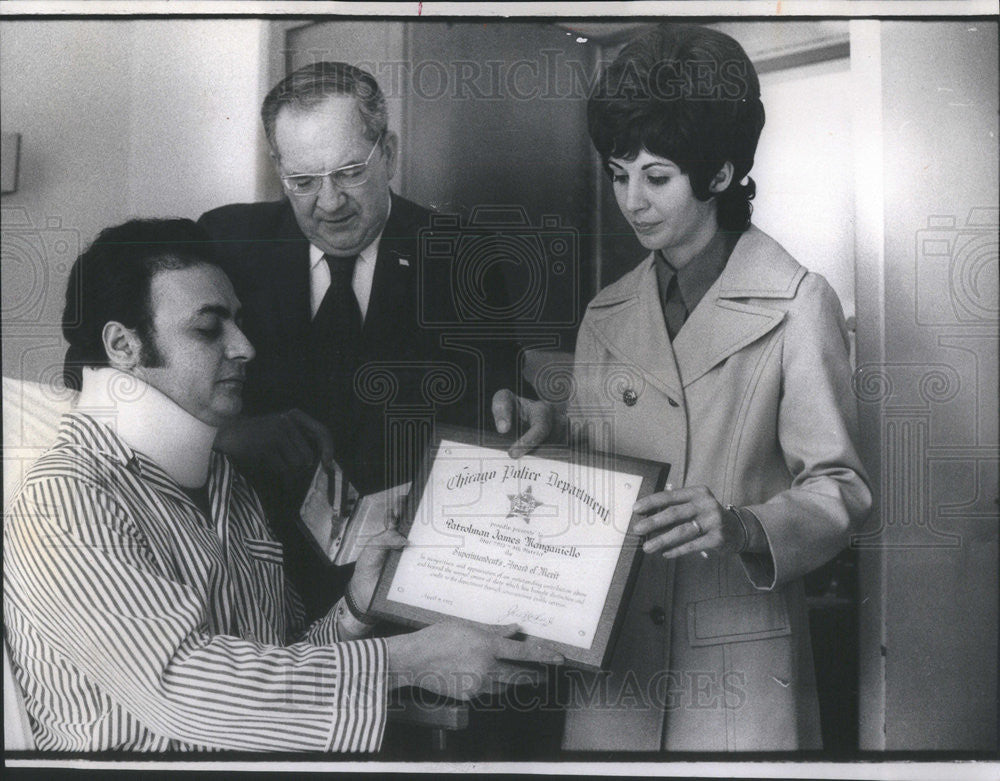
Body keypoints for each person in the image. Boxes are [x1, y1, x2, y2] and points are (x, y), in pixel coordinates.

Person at [2, 218, 563, 752]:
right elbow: (182, 689)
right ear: (123, 347)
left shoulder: (225, 484)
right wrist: (408, 660)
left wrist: (355, 610)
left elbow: (278, 662)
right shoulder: (65, 500)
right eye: (208, 328)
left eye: (237, 322)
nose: (244, 347)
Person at [501, 24, 872, 751]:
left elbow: (842, 490)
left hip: (736, 676)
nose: (632, 200)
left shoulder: (798, 301)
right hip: (614, 675)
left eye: (657, 175)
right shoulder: (605, 311)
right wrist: (548, 435)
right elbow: (596, 486)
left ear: (722, 174)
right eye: (617, 173)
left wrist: (742, 525)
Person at [199, 62, 540, 619]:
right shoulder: (224, 240)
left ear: (390, 154)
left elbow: (498, 403)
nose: (329, 203)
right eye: (303, 182)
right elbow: (112, 371)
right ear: (278, 170)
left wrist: (525, 413)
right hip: (249, 577)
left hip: (406, 578)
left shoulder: (462, 259)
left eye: (350, 172)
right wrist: (225, 436)